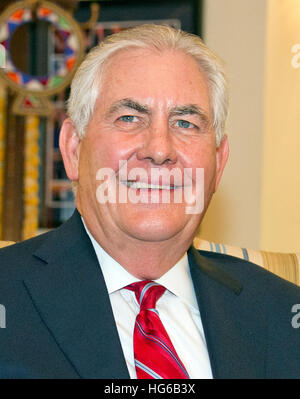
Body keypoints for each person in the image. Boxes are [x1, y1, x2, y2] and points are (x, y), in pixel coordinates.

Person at [0, 24, 299, 379]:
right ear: (74, 149)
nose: (159, 150)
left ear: (219, 161)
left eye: (186, 123)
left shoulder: (283, 314)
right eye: (129, 118)